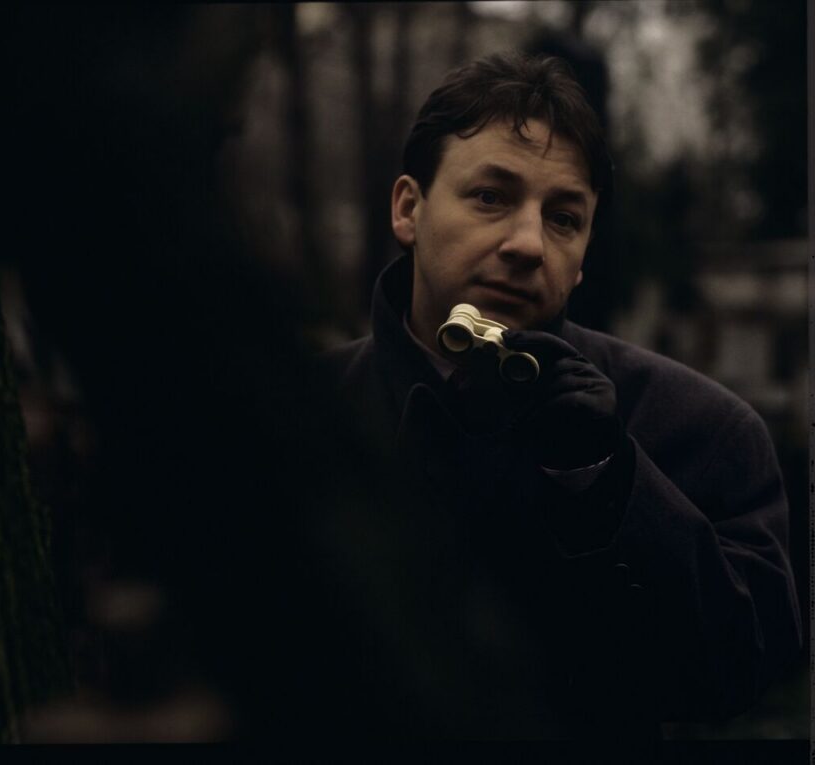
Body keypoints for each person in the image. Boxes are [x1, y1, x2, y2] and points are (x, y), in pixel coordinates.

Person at [316, 51, 802, 741]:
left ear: (583, 259)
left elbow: (742, 671)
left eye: (564, 217)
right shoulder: (301, 410)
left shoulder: (703, 429)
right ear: (408, 209)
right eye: (491, 196)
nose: (527, 243)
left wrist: (614, 485)